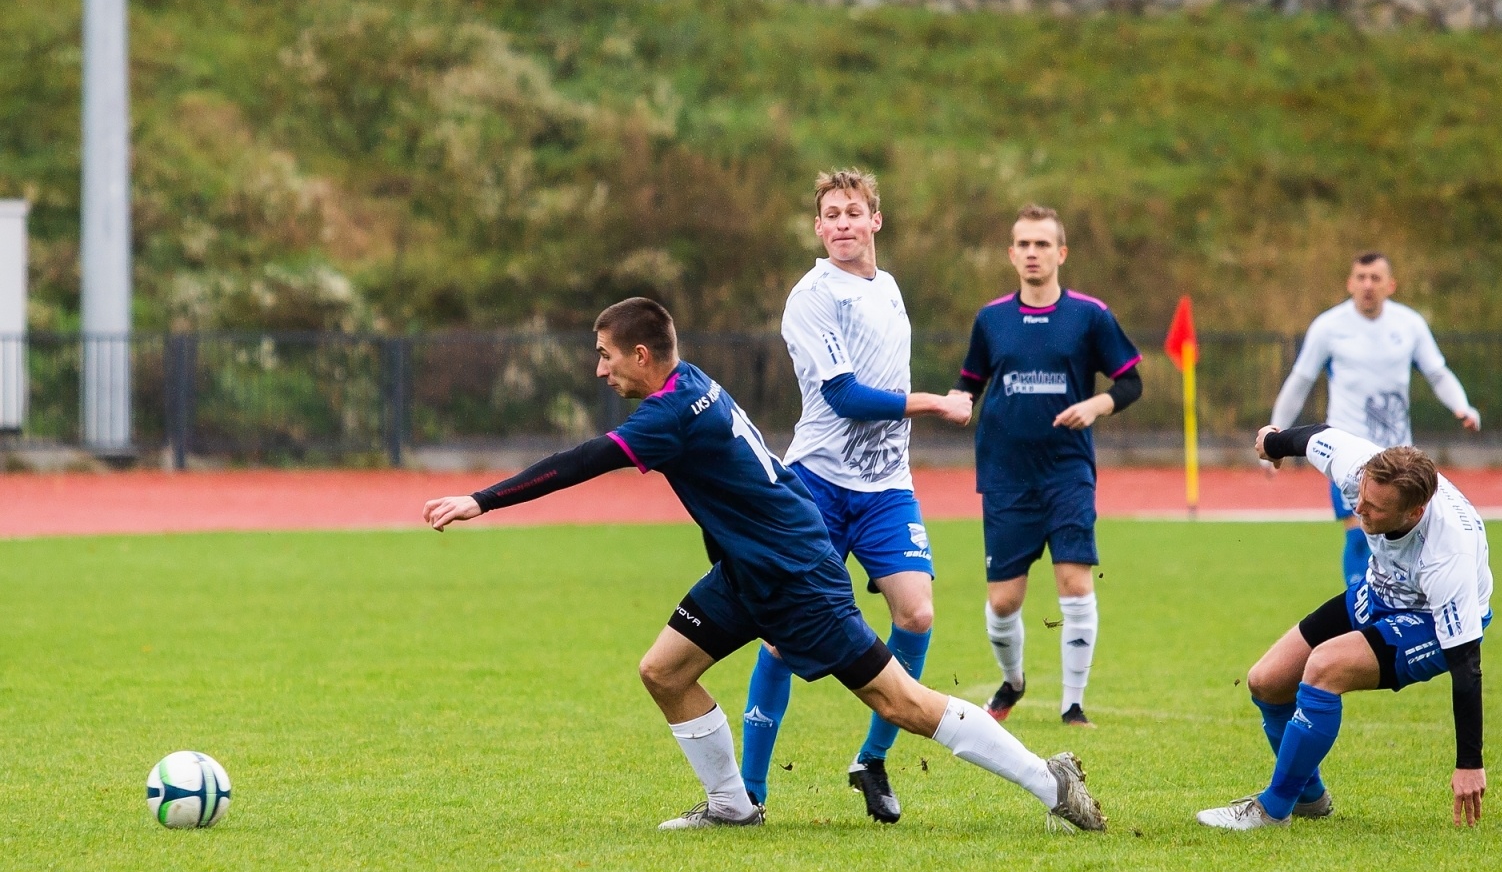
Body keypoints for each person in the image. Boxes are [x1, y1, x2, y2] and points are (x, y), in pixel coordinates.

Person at [422, 296, 1106, 834]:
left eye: (605, 356)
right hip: (749, 571)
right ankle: (732, 805)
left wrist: (482, 500)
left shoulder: (669, 414)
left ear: (640, 354)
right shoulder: (687, 382)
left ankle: (1051, 782)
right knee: (663, 671)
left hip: (794, 575)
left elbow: (583, 461)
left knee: (901, 702)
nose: (600, 371)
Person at [739, 169, 973, 825]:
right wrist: (935, 403)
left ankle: (872, 759)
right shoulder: (812, 297)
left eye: (853, 211)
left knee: (917, 615)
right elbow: (844, 396)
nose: (843, 223)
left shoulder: (888, 288)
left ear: (876, 220)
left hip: (887, 486)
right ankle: (749, 793)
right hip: (817, 484)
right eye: (832, 215)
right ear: (818, 228)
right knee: (782, 638)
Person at [1196, 422, 1492, 831]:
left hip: (1432, 623)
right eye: (1362, 496)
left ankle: (1272, 810)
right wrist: (1273, 443)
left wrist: (1470, 763)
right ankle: (1309, 797)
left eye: (1375, 508)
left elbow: (1466, 663)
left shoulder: (1447, 552)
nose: (1359, 509)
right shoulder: (1360, 468)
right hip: (1378, 591)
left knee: (1324, 666)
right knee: (1267, 681)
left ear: (1414, 512)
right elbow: (1317, 436)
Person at [951, 205, 1144, 727]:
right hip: (1005, 474)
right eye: (1024, 244)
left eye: (1042, 244)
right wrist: (954, 402)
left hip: (1066, 471)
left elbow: (1130, 382)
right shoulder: (991, 319)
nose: (1032, 253)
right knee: (1003, 603)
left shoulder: (1090, 316)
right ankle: (1013, 682)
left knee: (1075, 585)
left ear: (1061, 253)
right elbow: (969, 383)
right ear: (1011, 254)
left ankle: (1072, 704)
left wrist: (1096, 405)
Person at [1270, 252, 1481, 588]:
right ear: (1350, 283)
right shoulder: (1329, 327)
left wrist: (1462, 406)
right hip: (1347, 452)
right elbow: (1300, 382)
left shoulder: (1409, 324)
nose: (1367, 285)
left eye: (1375, 278)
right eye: (1361, 277)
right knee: (1359, 532)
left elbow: (1437, 372)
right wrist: (1275, 435)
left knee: (1405, 536)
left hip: (1400, 457)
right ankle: (1359, 603)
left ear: (1390, 285)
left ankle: (1399, 601)